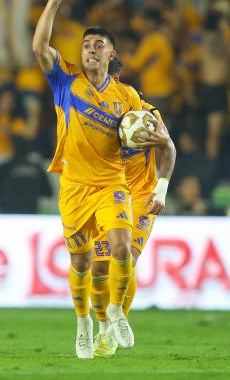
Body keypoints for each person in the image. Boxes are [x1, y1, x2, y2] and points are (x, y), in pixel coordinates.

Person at [32, 0, 158, 359]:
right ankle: (84, 323)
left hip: (111, 185)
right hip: (73, 187)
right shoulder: (65, 80)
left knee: (121, 247)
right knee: (81, 261)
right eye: (86, 45)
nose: (90, 50)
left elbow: (141, 135)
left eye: (98, 45)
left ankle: (116, 313)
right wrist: (54, 2)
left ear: (110, 54)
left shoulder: (128, 97)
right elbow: (39, 47)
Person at [89, 58, 177, 358]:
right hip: (103, 193)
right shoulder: (90, 116)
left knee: (126, 257)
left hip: (140, 195)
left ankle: (113, 328)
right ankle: (103, 325)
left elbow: (169, 147)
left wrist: (160, 190)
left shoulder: (146, 115)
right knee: (98, 267)